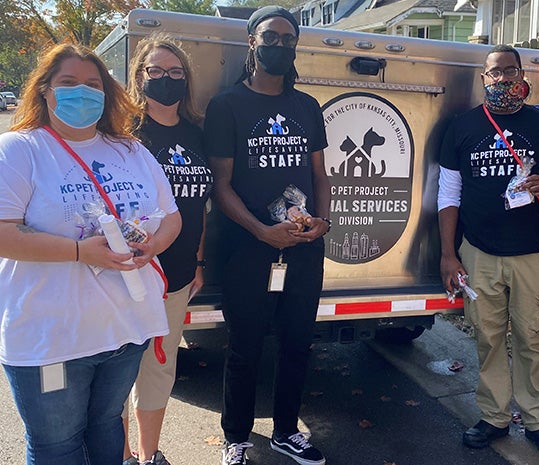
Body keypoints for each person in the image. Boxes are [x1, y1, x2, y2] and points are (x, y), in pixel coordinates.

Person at [0, 43, 181, 465]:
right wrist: (82, 252)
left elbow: (171, 216)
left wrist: (152, 244)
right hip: (52, 338)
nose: (82, 92)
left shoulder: (130, 150)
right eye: (68, 83)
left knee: (105, 429)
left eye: (93, 84)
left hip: (125, 330)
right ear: (45, 91)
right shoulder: (19, 150)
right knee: (57, 446)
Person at [203, 6, 330, 465]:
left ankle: (284, 432)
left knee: (297, 342)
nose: (280, 46)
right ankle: (235, 437)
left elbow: (320, 174)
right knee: (246, 346)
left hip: (303, 247)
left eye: (288, 39)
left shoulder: (307, 106)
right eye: (270, 38)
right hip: (247, 249)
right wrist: (261, 231)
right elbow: (220, 184)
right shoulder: (228, 105)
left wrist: (323, 222)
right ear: (252, 43)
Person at [438, 44, 539, 461]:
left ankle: (538, 421)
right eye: (494, 73)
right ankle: (494, 416)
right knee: (489, 338)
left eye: (509, 72)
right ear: (484, 79)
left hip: (532, 252)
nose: (502, 80)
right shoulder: (462, 127)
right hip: (477, 252)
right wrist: (449, 254)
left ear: (522, 77)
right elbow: (448, 193)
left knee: (533, 337)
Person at [121, 34, 213, 465]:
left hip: (176, 277)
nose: (165, 79)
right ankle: (119, 454)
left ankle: (148, 455)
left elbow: (200, 207)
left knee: (160, 370)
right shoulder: (123, 135)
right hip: (124, 275)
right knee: (117, 373)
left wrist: (197, 261)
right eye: (155, 72)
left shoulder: (198, 134)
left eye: (175, 73)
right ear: (139, 77)